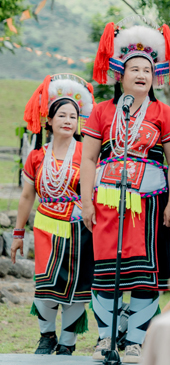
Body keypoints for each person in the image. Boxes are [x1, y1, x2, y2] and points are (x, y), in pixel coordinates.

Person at [82, 20, 170, 363]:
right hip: (107, 202)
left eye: (147, 69)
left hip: (150, 204)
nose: (141, 74)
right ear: (119, 76)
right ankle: (106, 338)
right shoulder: (102, 111)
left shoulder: (162, 112)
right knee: (106, 270)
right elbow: (89, 159)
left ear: (155, 78)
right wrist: (85, 202)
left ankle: (136, 339)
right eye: (134, 68)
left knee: (144, 272)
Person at [14, 75, 95, 355]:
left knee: (76, 287)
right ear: (48, 120)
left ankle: (67, 343)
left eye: (73, 116)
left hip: (79, 228)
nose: (68, 120)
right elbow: (27, 196)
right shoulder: (37, 156)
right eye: (61, 114)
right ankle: (46, 336)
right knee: (46, 285)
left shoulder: (86, 153)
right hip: (46, 226)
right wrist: (18, 233)